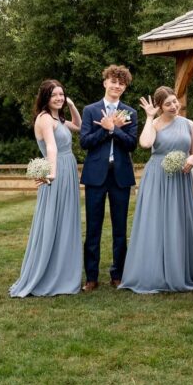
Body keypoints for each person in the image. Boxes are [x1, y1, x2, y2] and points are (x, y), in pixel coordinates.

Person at [119, 86, 193, 294]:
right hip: (158, 176)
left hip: (181, 178)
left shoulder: (188, 124)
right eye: (168, 104)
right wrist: (149, 117)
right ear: (159, 107)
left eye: (175, 101)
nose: (174, 106)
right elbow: (146, 143)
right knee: (156, 222)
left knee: (179, 221)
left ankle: (180, 270)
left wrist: (192, 159)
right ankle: (154, 271)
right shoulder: (154, 124)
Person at [10, 79, 82, 297]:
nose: (58, 98)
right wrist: (52, 172)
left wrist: (70, 104)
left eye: (61, 94)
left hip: (68, 169)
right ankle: (47, 274)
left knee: (66, 221)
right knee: (53, 220)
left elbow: (78, 126)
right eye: (54, 95)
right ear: (45, 98)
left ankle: (63, 272)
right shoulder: (43, 119)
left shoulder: (58, 118)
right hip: (57, 172)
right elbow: (51, 147)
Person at [79, 65, 138, 292]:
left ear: (124, 87)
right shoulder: (91, 110)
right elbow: (85, 142)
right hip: (96, 176)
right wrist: (105, 130)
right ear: (105, 82)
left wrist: (114, 129)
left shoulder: (130, 112)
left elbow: (132, 144)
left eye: (121, 83)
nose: (117, 86)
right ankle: (91, 277)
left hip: (120, 176)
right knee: (93, 228)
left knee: (120, 228)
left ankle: (118, 274)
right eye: (113, 81)